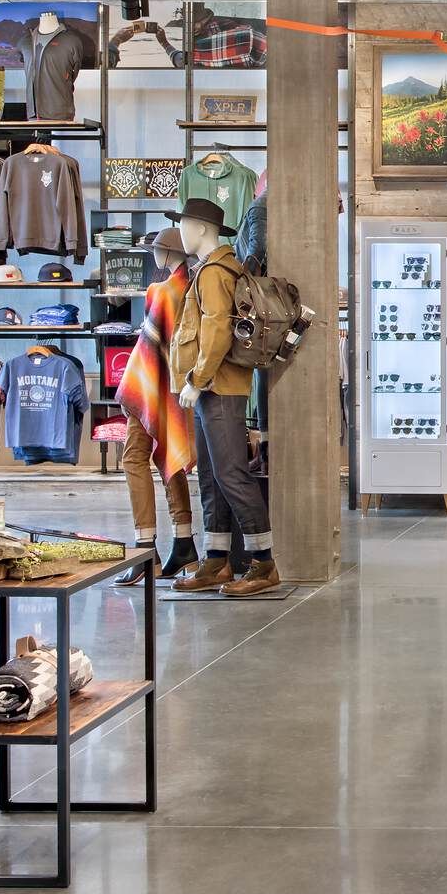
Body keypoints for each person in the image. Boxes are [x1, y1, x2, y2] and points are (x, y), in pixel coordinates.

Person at [166, 197, 279, 597]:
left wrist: (197, 378)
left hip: (217, 387)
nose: (180, 231)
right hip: (208, 389)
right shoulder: (213, 268)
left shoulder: (215, 273)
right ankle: (217, 561)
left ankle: (263, 563)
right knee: (213, 476)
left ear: (200, 229)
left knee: (231, 473)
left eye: (183, 224)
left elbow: (217, 330)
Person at [116, 226, 197, 584]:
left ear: (165, 254)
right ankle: (184, 543)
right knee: (170, 456)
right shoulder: (190, 287)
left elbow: (148, 349)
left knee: (134, 458)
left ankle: (144, 547)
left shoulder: (162, 292)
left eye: (155, 250)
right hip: (178, 387)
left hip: (152, 388)